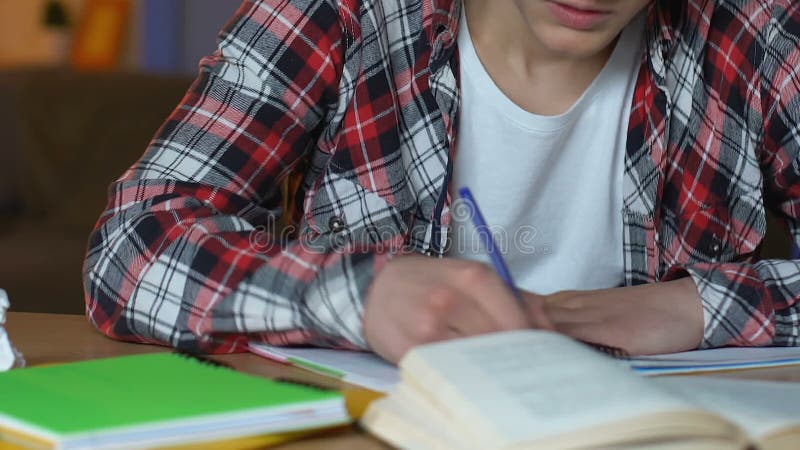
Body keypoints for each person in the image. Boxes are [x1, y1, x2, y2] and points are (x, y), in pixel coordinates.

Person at [83, 0, 800, 363]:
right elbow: (132, 244)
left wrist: (694, 308)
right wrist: (356, 296)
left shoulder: (757, 27)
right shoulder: (346, 10)